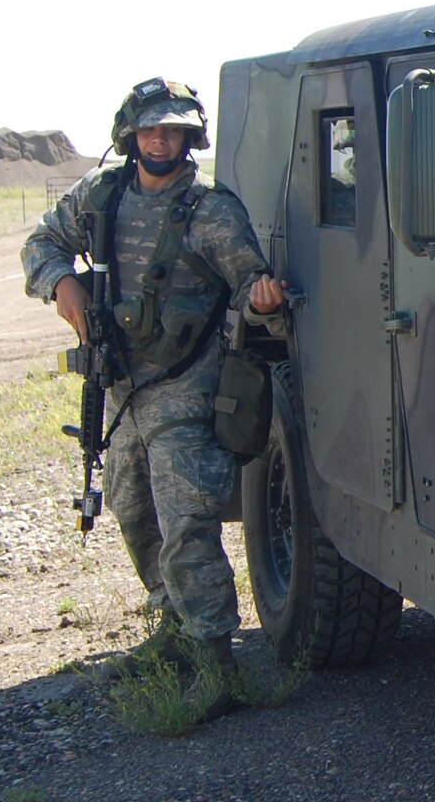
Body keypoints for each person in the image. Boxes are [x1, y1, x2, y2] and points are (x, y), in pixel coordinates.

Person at [22, 78, 287, 717]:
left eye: (171, 130)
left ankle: (214, 663)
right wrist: (63, 285)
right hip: (121, 386)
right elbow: (41, 243)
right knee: (131, 508)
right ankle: (172, 631)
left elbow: (252, 285)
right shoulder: (102, 196)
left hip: (185, 384)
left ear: (190, 136)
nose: (159, 140)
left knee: (186, 521)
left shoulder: (210, 209)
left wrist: (262, 299)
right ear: (129, 135)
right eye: (149, 130)